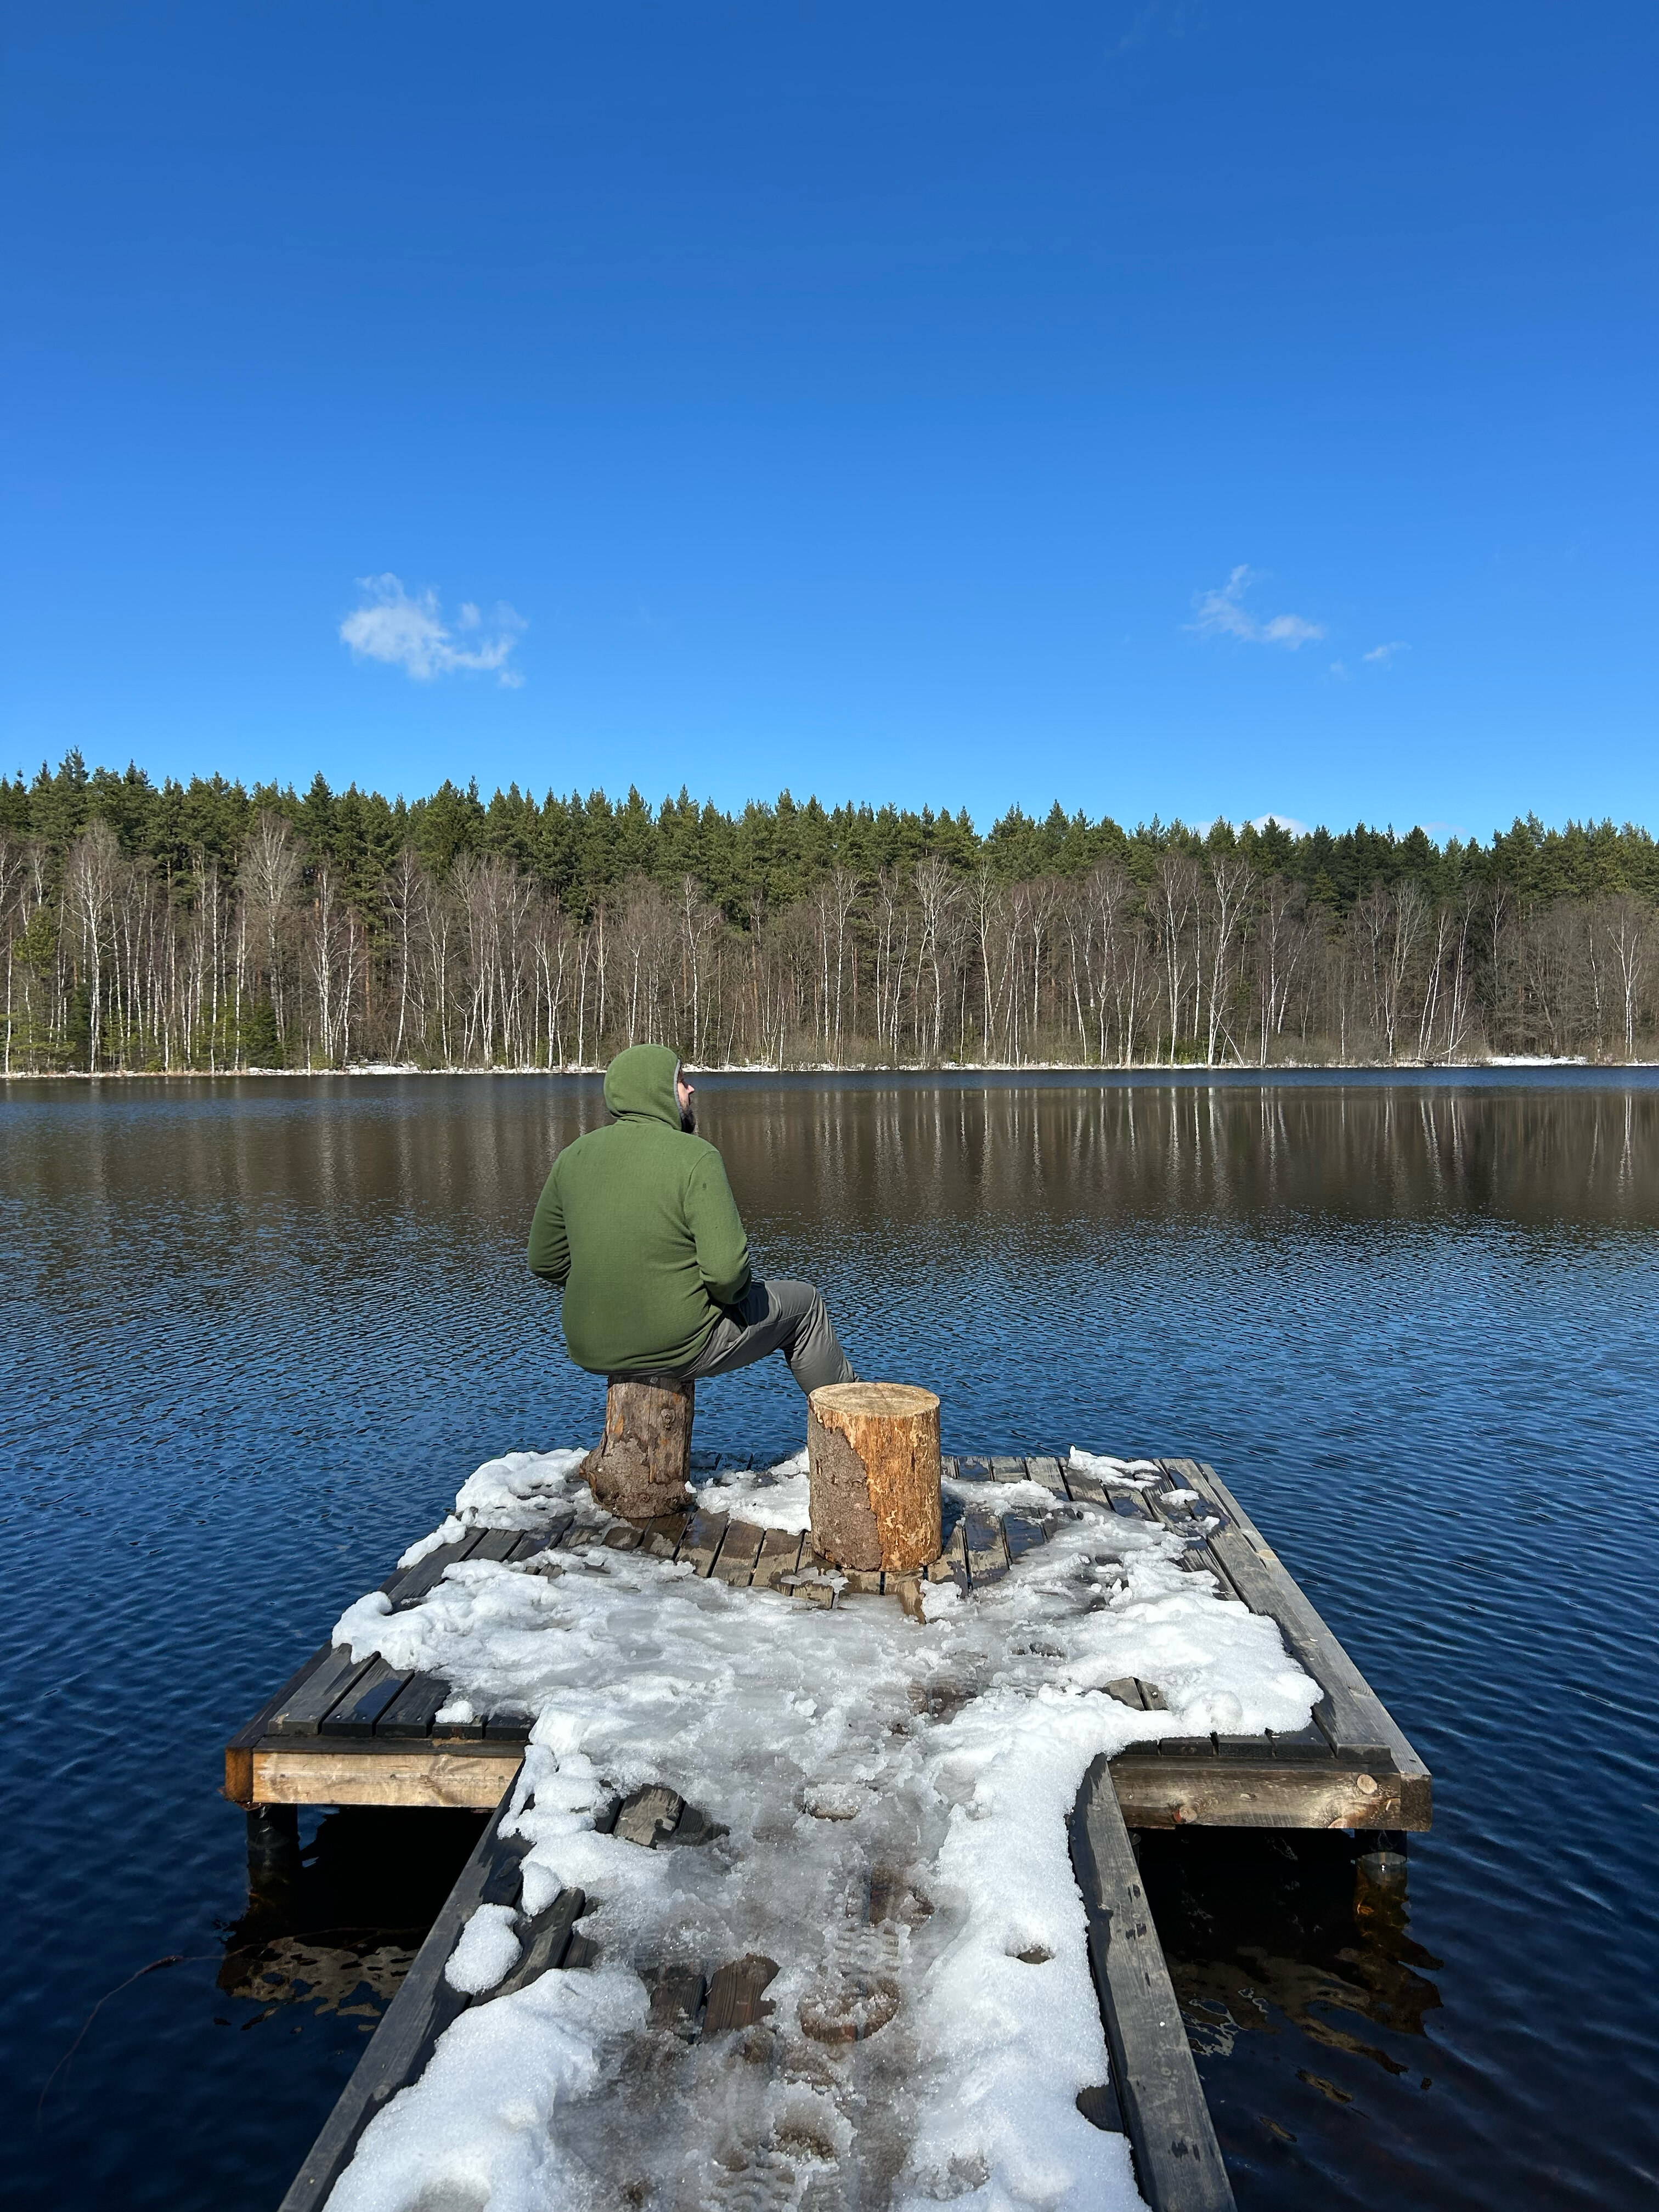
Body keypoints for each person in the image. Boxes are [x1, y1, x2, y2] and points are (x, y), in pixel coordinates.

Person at [527, 1043, 855, 1396]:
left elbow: (545, 1261)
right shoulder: (697, 1156)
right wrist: (718, 1299)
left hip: (590, 1347)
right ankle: (851, 1414)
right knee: (806, 1306)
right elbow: (727, 1275)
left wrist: (609, 1287)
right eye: (682, 1081)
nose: (691, 1089)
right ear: (659, 1091)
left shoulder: (572, 1157)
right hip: (680, 1346)